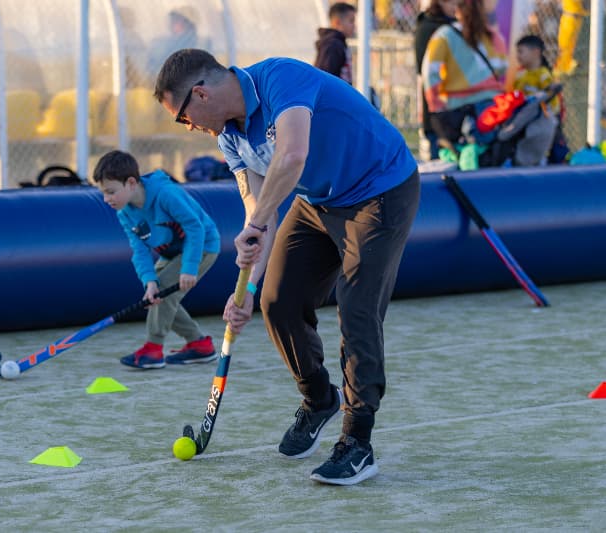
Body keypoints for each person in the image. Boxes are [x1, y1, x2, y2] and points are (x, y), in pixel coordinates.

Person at [153, 49, 419, 485]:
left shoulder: (280, 78)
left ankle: (357, 443)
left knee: (356, 309)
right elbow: (260, 211)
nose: (190, 128)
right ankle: (319, 400)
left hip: (380, 191)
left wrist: (256, 223)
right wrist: (246, 292)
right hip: (321, 202)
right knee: (277, 302)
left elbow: (292, 155)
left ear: (199, 94)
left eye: (183, 117)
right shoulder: (229, 138)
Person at [92, 150, 221, 369]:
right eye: (103, 193)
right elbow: (139, 250)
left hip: (202, 247)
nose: (106, 199)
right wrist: (149, 280)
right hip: (171, 252)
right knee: (158, 295)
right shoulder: (124, 212)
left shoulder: (165, 194)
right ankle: (199, 345)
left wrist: (189, 268)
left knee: (164, 294)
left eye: (111, 192)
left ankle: (153, 349)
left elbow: (195, 228)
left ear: (131, 183)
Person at [421, 0, 508, 153]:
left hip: (457, 109)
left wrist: (435, 103)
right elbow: (502, 68)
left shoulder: (444, 35)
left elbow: (430, 71)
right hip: (492, 106)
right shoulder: (492, 36)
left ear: (458, 10)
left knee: (461, 158)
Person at [513, 34, 569, 164]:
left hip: (544, 121)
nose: (518, 56)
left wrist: (550, 117)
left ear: (536, 52)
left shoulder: (543, 75)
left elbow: (551, 98)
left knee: (554, 148)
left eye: (521, 51)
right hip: (527, 120)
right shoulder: (521, 76)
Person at [414, 0, 457, 160]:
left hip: (456, 104)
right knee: (440, 156)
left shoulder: (455, 26)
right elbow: (425, 68)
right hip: (437, 104)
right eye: (452, 3)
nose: (455, 8)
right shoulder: (429, 27)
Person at [314, 2, 356, 84]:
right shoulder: (333, 45)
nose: (354, 25)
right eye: (351, 21)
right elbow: (325, 78)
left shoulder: (339, 43)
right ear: (338, 22)